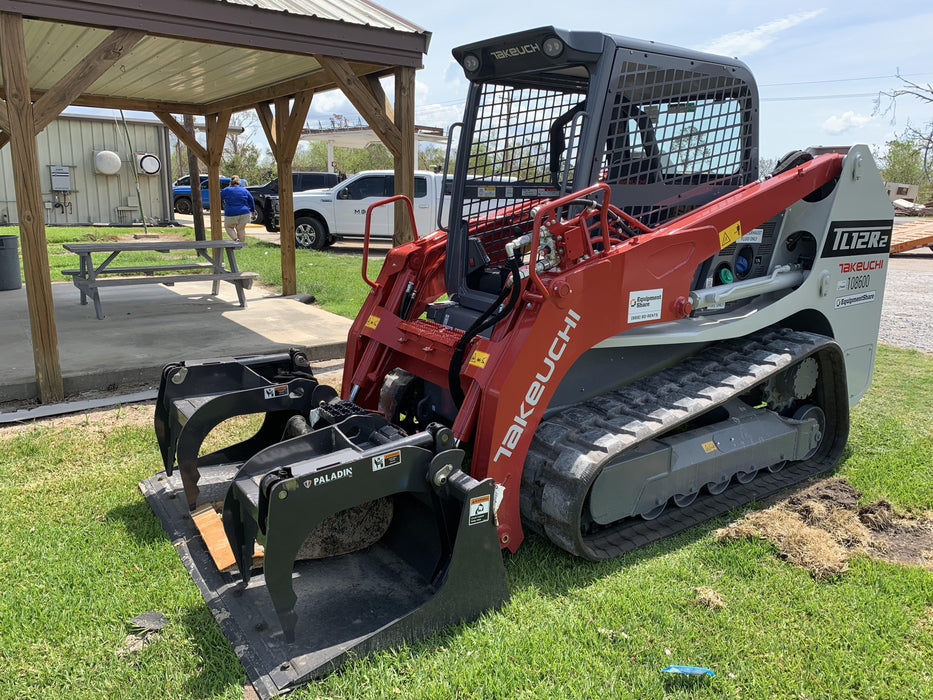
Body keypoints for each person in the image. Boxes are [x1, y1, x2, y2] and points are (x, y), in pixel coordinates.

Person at [220, 176, 255, 243]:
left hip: (231, 212)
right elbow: (251, 199)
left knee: (229, 227)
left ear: (230, 183)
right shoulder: (244, 190)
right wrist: (252, 210)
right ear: (239, 183)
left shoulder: (227, 190)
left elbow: (218, 197)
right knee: (241, 229)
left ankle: (235, 240)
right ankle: (241, 246)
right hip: (244, 212)